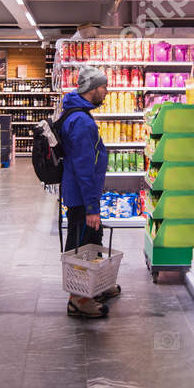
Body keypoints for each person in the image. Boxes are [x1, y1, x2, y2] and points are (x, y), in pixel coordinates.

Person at [58, 65, 116, 319]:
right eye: (104, 87)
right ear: (92, 89)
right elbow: (84, 168)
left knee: (92, 242)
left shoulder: (78, 113)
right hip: (82, 198)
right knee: (82, 247)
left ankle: (96, 287)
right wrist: (92, 207)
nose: (106, 91)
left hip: (82, 195)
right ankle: (79, 300)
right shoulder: (80, 121)